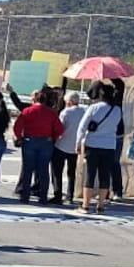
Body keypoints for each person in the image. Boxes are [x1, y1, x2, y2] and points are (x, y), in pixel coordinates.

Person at [76, 83, 122, 213]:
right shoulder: (117, 110)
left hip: (93, 144)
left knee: (90, 175)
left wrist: (78, 144)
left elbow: (82, 127)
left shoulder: (94, 107)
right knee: (105, 175)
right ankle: (101, 205)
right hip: (109, 145)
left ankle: (85, 205)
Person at [13, 89, 65, 203]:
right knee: (43, 170)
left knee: (27, 169)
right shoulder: (51, 113)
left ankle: (25, 195)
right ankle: (43, 196)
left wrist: (20, 138)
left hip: (29, 140)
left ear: (34, 99)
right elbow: (60, 129)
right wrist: (53, 138)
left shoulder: (27, 111)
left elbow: (17, 127)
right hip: (46, 142)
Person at [87, 77, 126, 198]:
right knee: (112, 163)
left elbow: (90, 92)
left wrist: (100, 79)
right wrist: (109, 76)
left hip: (107, 136)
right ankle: (113, 191)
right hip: (116, 135)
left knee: (106, 165)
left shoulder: (100, 104)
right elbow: (120, 84)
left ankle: (110, 191)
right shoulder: (116, 103)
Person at [52, 92, 86, 205]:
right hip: (75, 147)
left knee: (57, 171)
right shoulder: (83, 112)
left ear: (69, 102)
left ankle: (58, 194)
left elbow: (60, 128)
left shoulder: (66, 112)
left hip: (62, 145)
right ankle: (70, 196)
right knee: (71, 172)